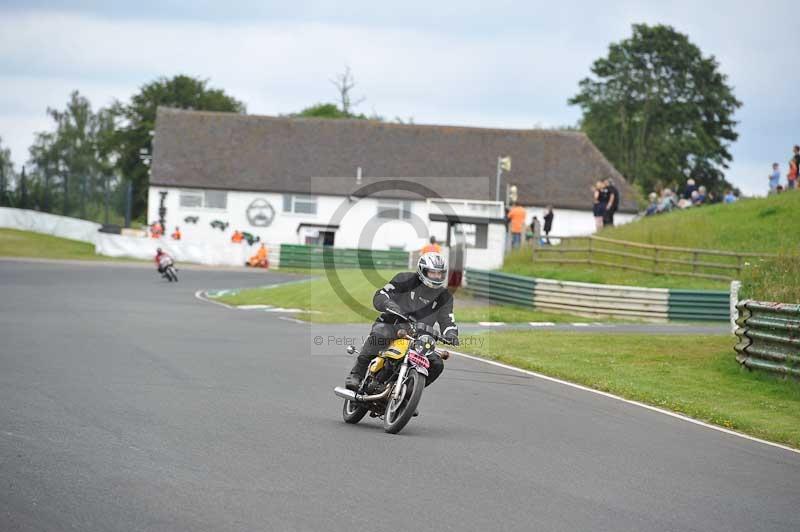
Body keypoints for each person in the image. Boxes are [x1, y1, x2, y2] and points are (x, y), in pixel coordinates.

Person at [344, 252, 459, 391]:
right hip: (393, 324)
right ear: (422, 270)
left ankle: (409, 393)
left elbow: (448, 320)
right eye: (432, 272)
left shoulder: (444, 296)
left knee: (437, 364)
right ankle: (357, 374)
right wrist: (391, 305)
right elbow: (381, 295)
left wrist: (451, 334)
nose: (436, 276)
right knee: (381, 334)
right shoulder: (405, 279)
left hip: (420, 337)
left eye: (440, 273)